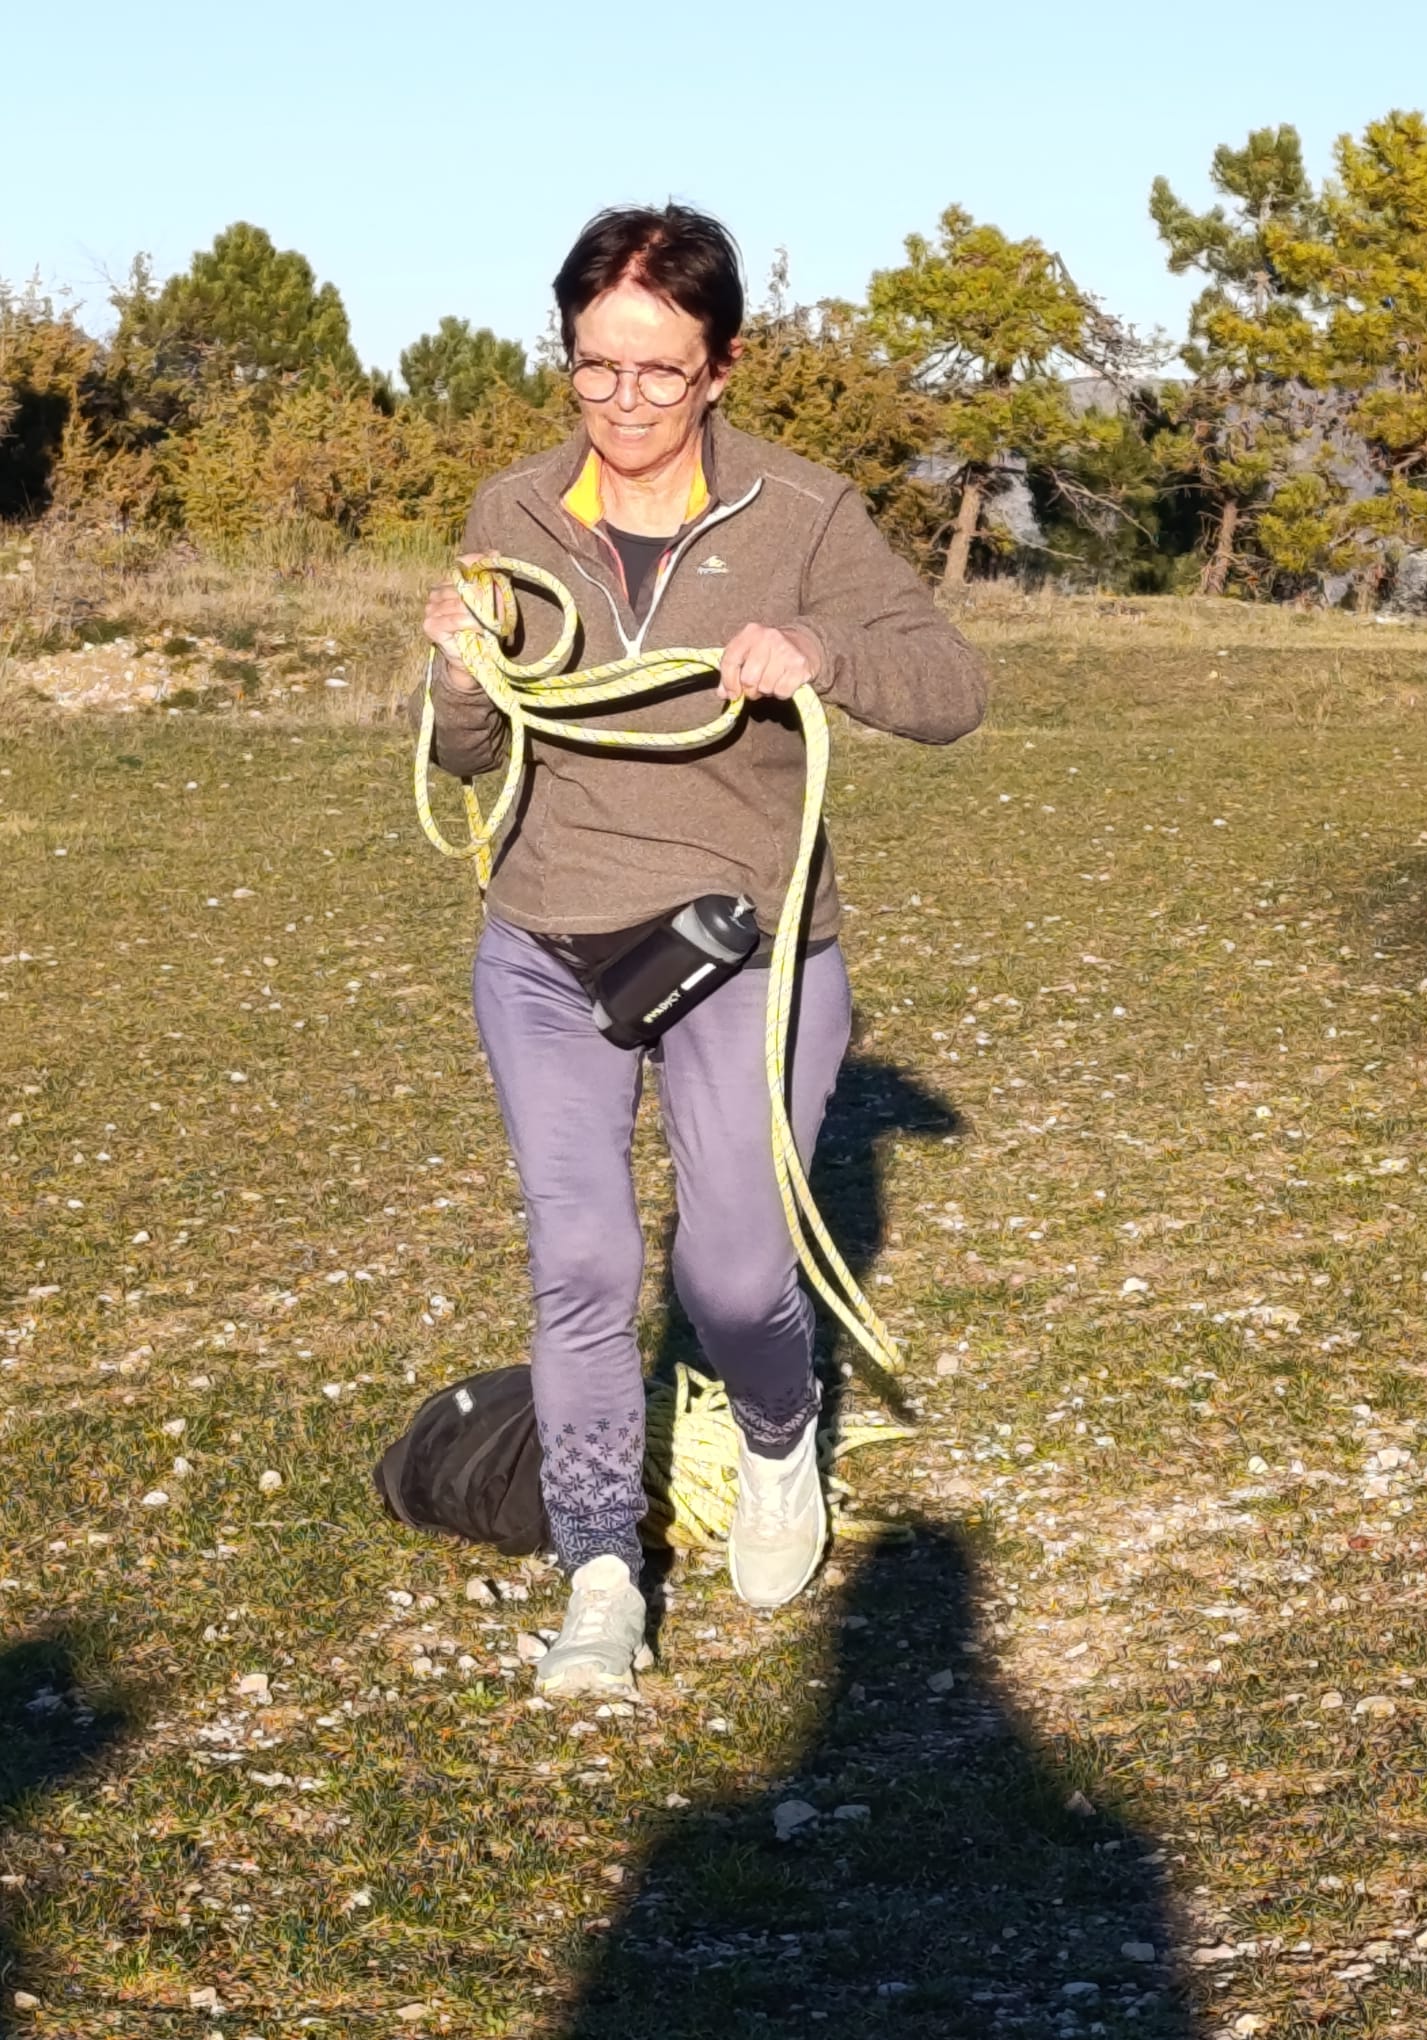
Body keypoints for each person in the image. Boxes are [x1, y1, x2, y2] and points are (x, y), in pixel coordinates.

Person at [422, 204, 986, 1697]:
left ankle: (780, 1435)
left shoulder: (802, 513)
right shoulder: (513, 510)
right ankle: (601, 1573)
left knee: (734, 1277)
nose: (624, 403)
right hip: (547, 940)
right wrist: (460, 672)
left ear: (721, 365)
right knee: (582, 1260)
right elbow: (471, 752)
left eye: (660, 372)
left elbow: (950, 689)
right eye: (595, 367)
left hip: (747, 941)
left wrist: (822, 654)